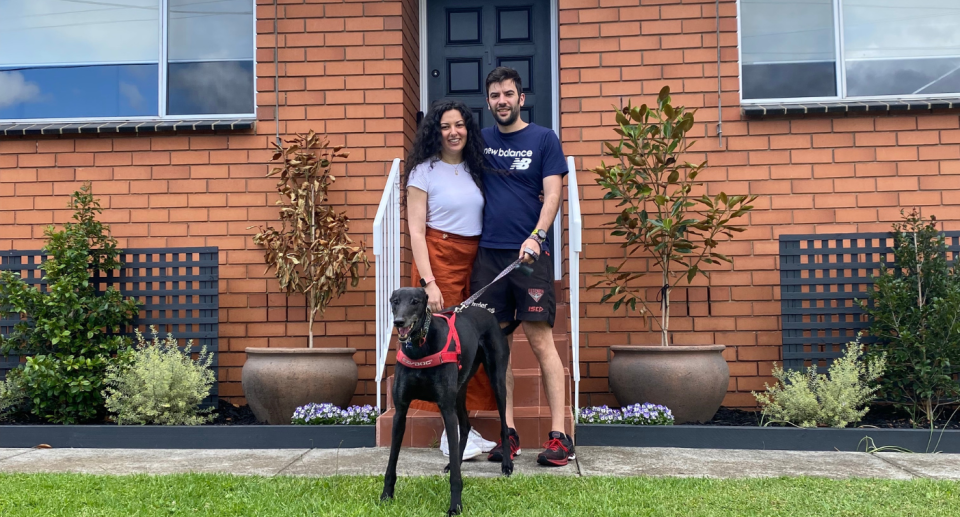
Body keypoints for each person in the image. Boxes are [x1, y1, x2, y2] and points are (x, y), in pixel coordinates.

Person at [473, 67, 574, 466]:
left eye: (508, 94)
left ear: (521, 98)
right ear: (488, 102)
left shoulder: (544, 139)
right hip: (489, 257)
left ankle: (559, 436)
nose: (502, 101)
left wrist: (538, 235)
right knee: (498, 349)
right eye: (495, 95)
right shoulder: (479, 141)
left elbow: (553, 194)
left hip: (529, 257)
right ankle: (508, 433)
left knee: (540, 342)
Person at [401, 99, 498, 460]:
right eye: (445, 126)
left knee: (467, 348)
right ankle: (450, 436)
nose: (453, 132)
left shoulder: (475, 170)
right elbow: (415, 232)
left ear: (467, 130)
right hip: (438, 261)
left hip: (473, 261)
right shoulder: (423, 172)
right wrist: (429, 282)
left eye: (459, 125)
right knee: (444, 348)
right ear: (435, 131)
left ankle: (465, 430)